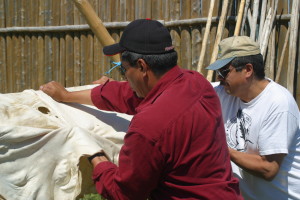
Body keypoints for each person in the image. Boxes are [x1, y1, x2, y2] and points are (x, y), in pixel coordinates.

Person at [40, 19, 242, 200]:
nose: (124, 76)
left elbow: (123, 193)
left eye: (124, 69)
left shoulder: (149, 127)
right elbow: (127, 94)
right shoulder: (197, 83)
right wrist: (67, 96)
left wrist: (95, 155)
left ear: (142, 66)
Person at [206, 36, 300, 200]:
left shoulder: (278, 104)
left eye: (223, 72)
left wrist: (220, 148)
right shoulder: (224, 92)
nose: (219, 78)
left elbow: (268, 168)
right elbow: (191, 87)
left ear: (248, 70)